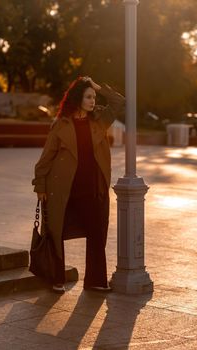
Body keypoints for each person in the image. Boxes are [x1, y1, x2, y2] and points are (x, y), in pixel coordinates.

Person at [32, 76, 125, 293]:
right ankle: (57, 279)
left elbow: (119, 102)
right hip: (63, 190)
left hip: (92, 189)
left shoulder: (99, 121)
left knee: (96, 232)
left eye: (94, 97)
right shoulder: (61, 125)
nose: (93, 101)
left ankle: (95, 281)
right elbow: (45, 159)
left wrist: (98, 86)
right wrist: (41, 187)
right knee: (56, 232)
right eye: (88, 97)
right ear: (78, 99)